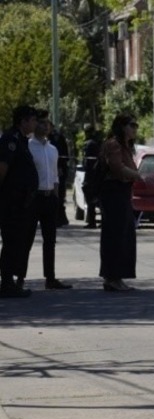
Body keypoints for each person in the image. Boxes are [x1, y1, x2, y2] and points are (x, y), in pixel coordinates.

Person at [24, 109, 73, 290]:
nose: (45, 126)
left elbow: (55, 175)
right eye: (42, 123)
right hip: (33, 198)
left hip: (49, 198)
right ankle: (20, 278)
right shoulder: (28, 146)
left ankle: (50, 278)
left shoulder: (53, 149)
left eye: (48, 123)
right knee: (26, 239)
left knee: (50, 240)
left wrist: (57, 197)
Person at [98, 114, 142, 292]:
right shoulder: (113, 144)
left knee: (124, 236)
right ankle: (112, 277)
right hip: (113, 194)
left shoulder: (126, 146)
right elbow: (116, 167)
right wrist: (136, 175)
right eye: (132, 125)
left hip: (123, 193)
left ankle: (117, 277)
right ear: (123, 127)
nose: (135, 129)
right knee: (115, 236)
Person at [0, 105, 38, 298]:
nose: (35, 123)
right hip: (11, 201)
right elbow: (2, 168)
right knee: (11, 241)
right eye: (33, 120)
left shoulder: (22, 140)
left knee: (16, 242)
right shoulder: (11, 139)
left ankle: (10, 281)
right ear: (23, 121)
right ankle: (6, 283)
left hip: (22, 201)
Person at [48, 123, 70, 227]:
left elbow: (63, 154)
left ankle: (60, 217)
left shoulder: (58, 138)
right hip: (49, 170)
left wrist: (60, 166)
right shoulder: (45, 138)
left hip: (59, 169)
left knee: (60, 194)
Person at [81, 123, 100, 228]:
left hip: (91, 177)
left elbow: (88, 163)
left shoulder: (90, 144)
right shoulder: (96, 143)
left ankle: (92, 221)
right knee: (93, 200)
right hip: (94, 176)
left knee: (91, 200)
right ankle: (92, 221)